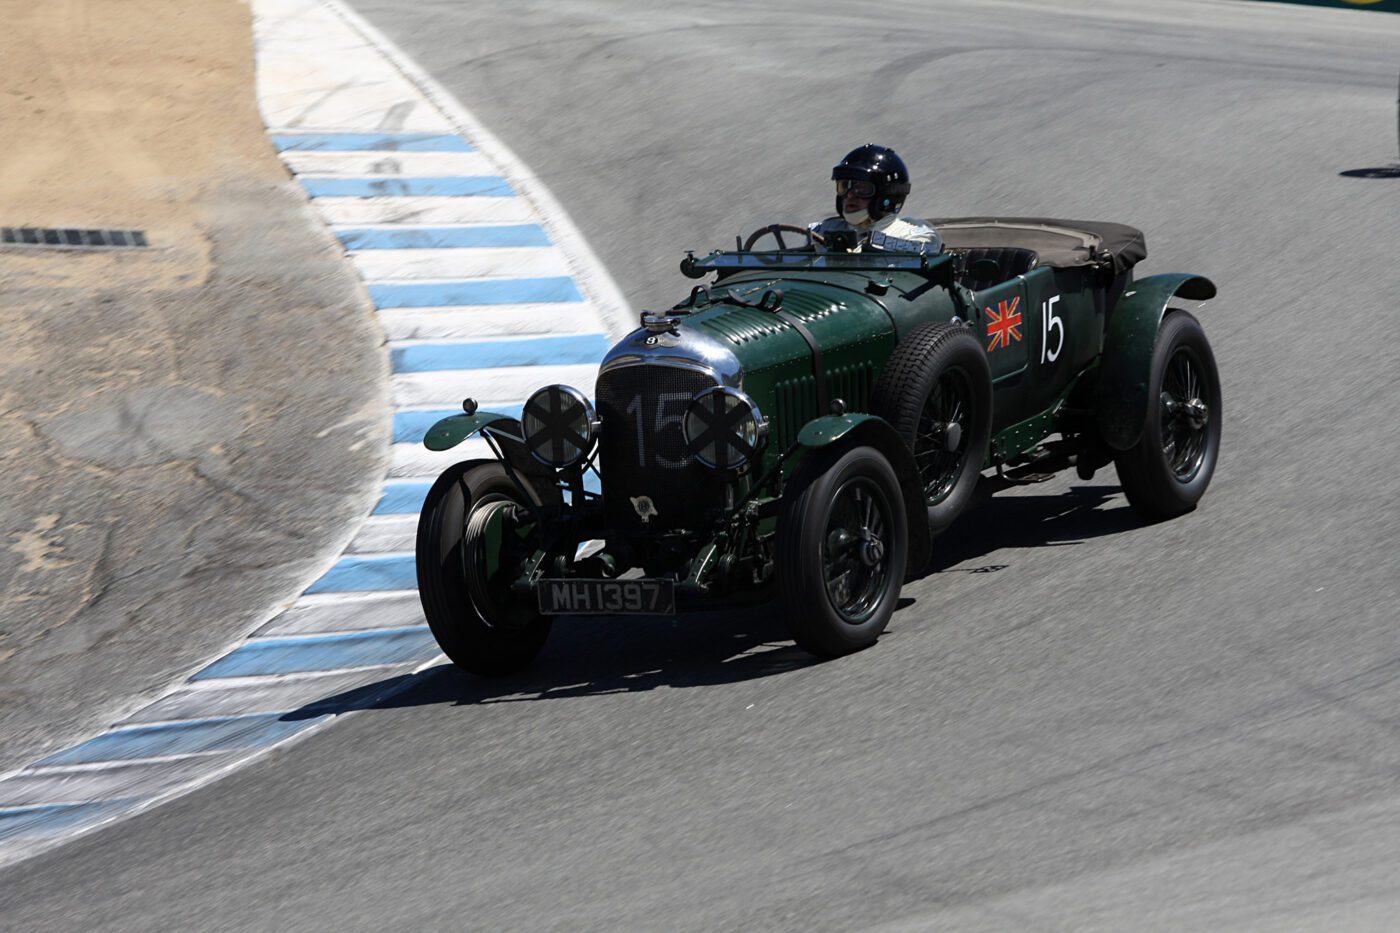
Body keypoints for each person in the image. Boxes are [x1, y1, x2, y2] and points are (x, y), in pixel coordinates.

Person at [810, 144, 941, 252]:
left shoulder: (913, 236)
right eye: (844, 186)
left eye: (862, 189)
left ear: (886, 197)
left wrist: (867, 248)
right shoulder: (822, 230)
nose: (849, 195)